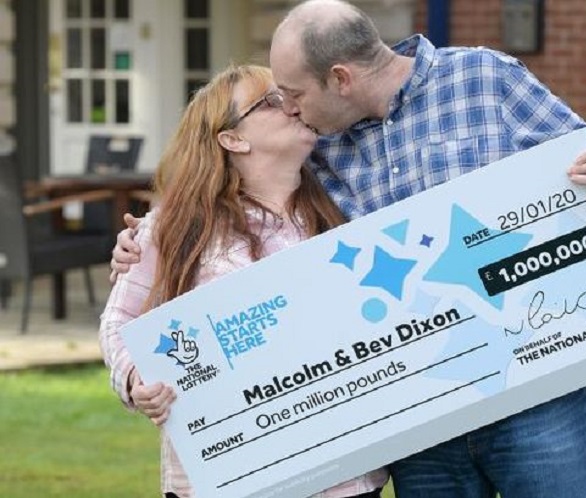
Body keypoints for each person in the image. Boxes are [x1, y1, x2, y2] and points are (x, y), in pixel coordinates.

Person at [111, 1, 586, 497]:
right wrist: (144, 243)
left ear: (340, 78)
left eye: (294, 94)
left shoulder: (485, 78)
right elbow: (235, 186)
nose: (293, 110)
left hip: (537, 393)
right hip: (419, 411)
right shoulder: (318, 145)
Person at [98, 63, 388, 498]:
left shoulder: (347, 208)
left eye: (292, 94)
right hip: (226, 475)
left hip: (341, 478)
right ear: (232, 139)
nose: (292, 106)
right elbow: (119, 321)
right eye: (272, 101)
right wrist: (139, 379)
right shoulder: (175, 227)